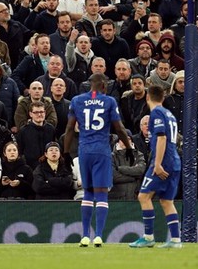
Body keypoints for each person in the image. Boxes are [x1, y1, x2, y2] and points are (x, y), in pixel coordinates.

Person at [64, 73, 130, 248]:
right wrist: (129, 147)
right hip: (101, 150)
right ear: (103, 84)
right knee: (101, 194)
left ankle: (85, 235)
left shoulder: (77, 100)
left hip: (84, 150)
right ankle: (99, 235)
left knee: (87, 193)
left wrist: (65, 152)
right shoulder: (109, 101)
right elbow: (120, 128)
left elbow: (70, 128)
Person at [129, 85, 182, 249]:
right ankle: (175, 240)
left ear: (147, 97)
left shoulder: (157, 113)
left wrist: (157, 164)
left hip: (163, 160)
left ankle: (148, 237)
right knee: (166, 201)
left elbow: (161, 138)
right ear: (163, 98)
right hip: (175, 161)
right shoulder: (169, 114)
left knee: (143, 197)